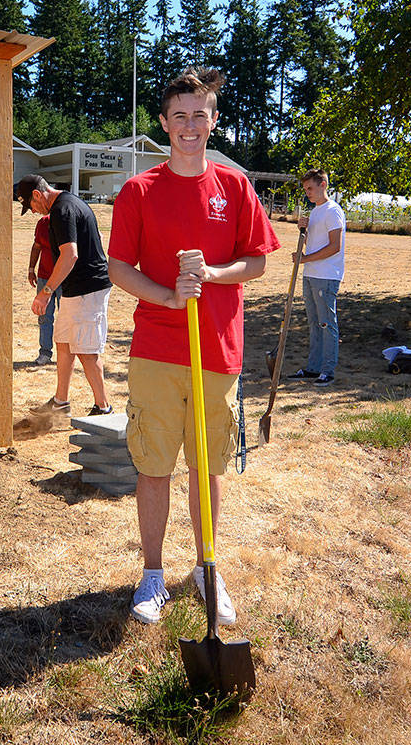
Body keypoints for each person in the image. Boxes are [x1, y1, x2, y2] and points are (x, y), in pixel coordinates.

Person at [107, 68, 280, 626]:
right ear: (163, 122)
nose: (189, 125)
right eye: (178, 115)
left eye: (199, 114)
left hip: (218, 351)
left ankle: (207, 567)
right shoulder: (140, 191)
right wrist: (168, 295)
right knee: (154, 466)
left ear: (213, 120)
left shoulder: (234, 188)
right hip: (158, 351)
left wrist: (212, 275)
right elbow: (117, 268)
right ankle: (153, 573)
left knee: (209, 469)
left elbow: (255, 261)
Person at [15, 174, 114, 417]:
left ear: (38, 195)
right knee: (64, 342)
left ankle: (104, 408)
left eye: (32, 205)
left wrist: (45, 293)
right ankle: (61, 402)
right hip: (75, 289)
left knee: (86, 350)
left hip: (88, 288)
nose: (35, 211)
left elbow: (70, 254)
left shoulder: (62, 210)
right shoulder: (69, 204)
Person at [291, 168, 345, 387]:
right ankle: (313, 367)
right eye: (305, 189)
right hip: (311, 274)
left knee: (326, 323)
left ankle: (328, 370)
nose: (308, 193)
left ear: (323, 184)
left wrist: (304, 259)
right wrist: (302, 231)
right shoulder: (315, 212)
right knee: (314, 323)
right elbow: (313, 244)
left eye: (310, 188)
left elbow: (334, 247)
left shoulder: (333, 211)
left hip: (326, 276)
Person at [28, 213, 59, 365]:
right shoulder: (43, 222)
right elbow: (37, 246)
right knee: (44, 315)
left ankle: (69, 355)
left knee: (68, 317)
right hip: (44, 278)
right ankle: (45, 353)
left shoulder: (69, 220)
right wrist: (31, 269)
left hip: (65, 279)